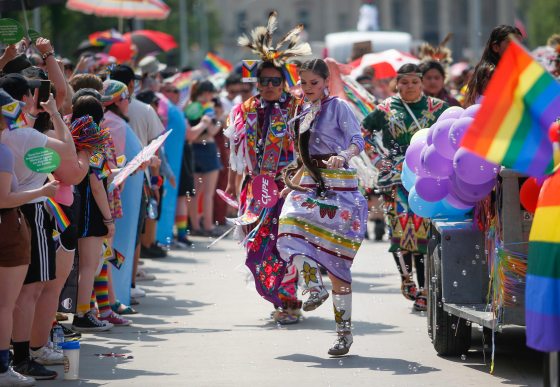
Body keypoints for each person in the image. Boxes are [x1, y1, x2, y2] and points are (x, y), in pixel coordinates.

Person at [275, 58, 367, 355]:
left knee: (338, 264)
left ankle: (344, 334)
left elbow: (357, 140)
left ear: (326, 81)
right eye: (303, 83)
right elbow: (306, 156)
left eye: (314, 83)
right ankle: (313, 286)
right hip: (312, 182)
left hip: (340, 188)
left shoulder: (338, 107)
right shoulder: (302, 110)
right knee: (289, 224)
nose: (308, 88)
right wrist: (290, 181)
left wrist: (344, 155)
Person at [227, 11, 311, 323]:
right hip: (255, 190)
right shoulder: (244, 111)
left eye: (276, 81)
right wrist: (237, 192)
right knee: (256, 248)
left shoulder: (299, 108)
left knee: (285, 244)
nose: (270, 86)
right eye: (264, 81)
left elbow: (309, 150)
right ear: (257, 82)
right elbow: (240, 159)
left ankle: (288, 301)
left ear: (285, 81)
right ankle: (278, 297)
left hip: (290, 188)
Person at [1, 77, 75, 379]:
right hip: (24, 214)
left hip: (19, 212)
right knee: (26, 294)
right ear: (28, 98)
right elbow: (69, 153)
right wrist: (55, 114)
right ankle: (23, 355)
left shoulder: (13, 138)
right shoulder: (25, 138)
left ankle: (19, 356)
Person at [362, 63, 449, 312]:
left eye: (414, 82)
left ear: (421, 83)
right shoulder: (386, 109)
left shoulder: (437, 108)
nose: (409, 87)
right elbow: (362, 134)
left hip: (428, 178)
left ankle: (424, 289)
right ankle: (405, 278)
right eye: (404, 82)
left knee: (422, 231)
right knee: (399, 232)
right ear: (397, 84)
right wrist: (381, 160)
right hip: (395, 181)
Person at [184, 80, 222, 236]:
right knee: (208, 193)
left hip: (193, 149)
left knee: (195, 192)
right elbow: (212, 131)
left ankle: (195, 226)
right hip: (207, 149)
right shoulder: (209, 109)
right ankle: (208, 226)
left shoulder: (188, 106)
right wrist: (218, 118)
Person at [464, 25, 522, 107]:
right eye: (511, 43)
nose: (517, 47)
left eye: (519, 44)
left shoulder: (515, 70)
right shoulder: (490, 72)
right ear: (496, 47)